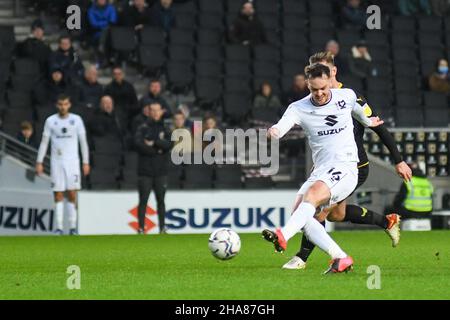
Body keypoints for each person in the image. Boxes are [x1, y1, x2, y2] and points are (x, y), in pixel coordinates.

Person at [283, 51, 411, 270]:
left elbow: (377, 126)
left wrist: (398, 160)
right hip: (329, 165)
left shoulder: (348, 97)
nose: (320, 78)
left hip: (354, 165)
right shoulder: (313, 102)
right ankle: (387, 221)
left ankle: (302, 258)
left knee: (318, 208)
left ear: (332, 71)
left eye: (323, 71)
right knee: (337, 214)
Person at [263, 63, 384, 273]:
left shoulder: (346, 96)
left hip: (346, 166)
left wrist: (367, 121)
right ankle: (340, 257)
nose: (318, 94)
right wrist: (273, 132)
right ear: (308, 86)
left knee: (312, 196)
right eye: (313, 89)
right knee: (301, 214)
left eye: (322, 89)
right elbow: (281, 127)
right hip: (321, 170)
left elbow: (359, 110)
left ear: (330, 82)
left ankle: (283, 235)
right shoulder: (298, 108)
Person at [35, 94, 90, 235]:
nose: (63, 107)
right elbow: (44, 142)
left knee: (72, 193)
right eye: (60, 104)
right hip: (56, 162)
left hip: (73, 162)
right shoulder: (50, 121)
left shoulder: (76, 120)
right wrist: (39, 161)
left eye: (65, 104)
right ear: (56, 105)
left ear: (69, 105)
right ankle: (59, 228)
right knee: (58, 194)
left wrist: (86, 161)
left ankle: (72, 228)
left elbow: (83, 142)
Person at [134, 102, 173, 234]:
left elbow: (169, 145)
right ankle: (140, 228)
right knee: (143, 201)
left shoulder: (166, 128)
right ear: (148, 112)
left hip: (161, 171)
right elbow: (139, 145)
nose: (156, 113)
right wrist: (157, 150)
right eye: (153, 111)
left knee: (161, 201)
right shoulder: (142, 128)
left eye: (158, 110)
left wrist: (154, 142)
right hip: (145, 171)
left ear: (161, 112)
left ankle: (162, 228)